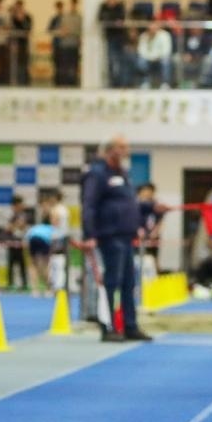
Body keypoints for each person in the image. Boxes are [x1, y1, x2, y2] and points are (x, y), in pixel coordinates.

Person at [82, 136, 148, 342]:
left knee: (129, 283)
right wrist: (90, 234)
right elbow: (89, 205)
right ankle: (108, 325)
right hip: (109, 236)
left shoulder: (124, 174)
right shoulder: (97, 174)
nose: (126, 151)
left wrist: (139, 223)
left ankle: (130, 325)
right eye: (122, 147)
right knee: (111, 282)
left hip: (127, 236)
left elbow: (129, 203)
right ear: (109, 150)